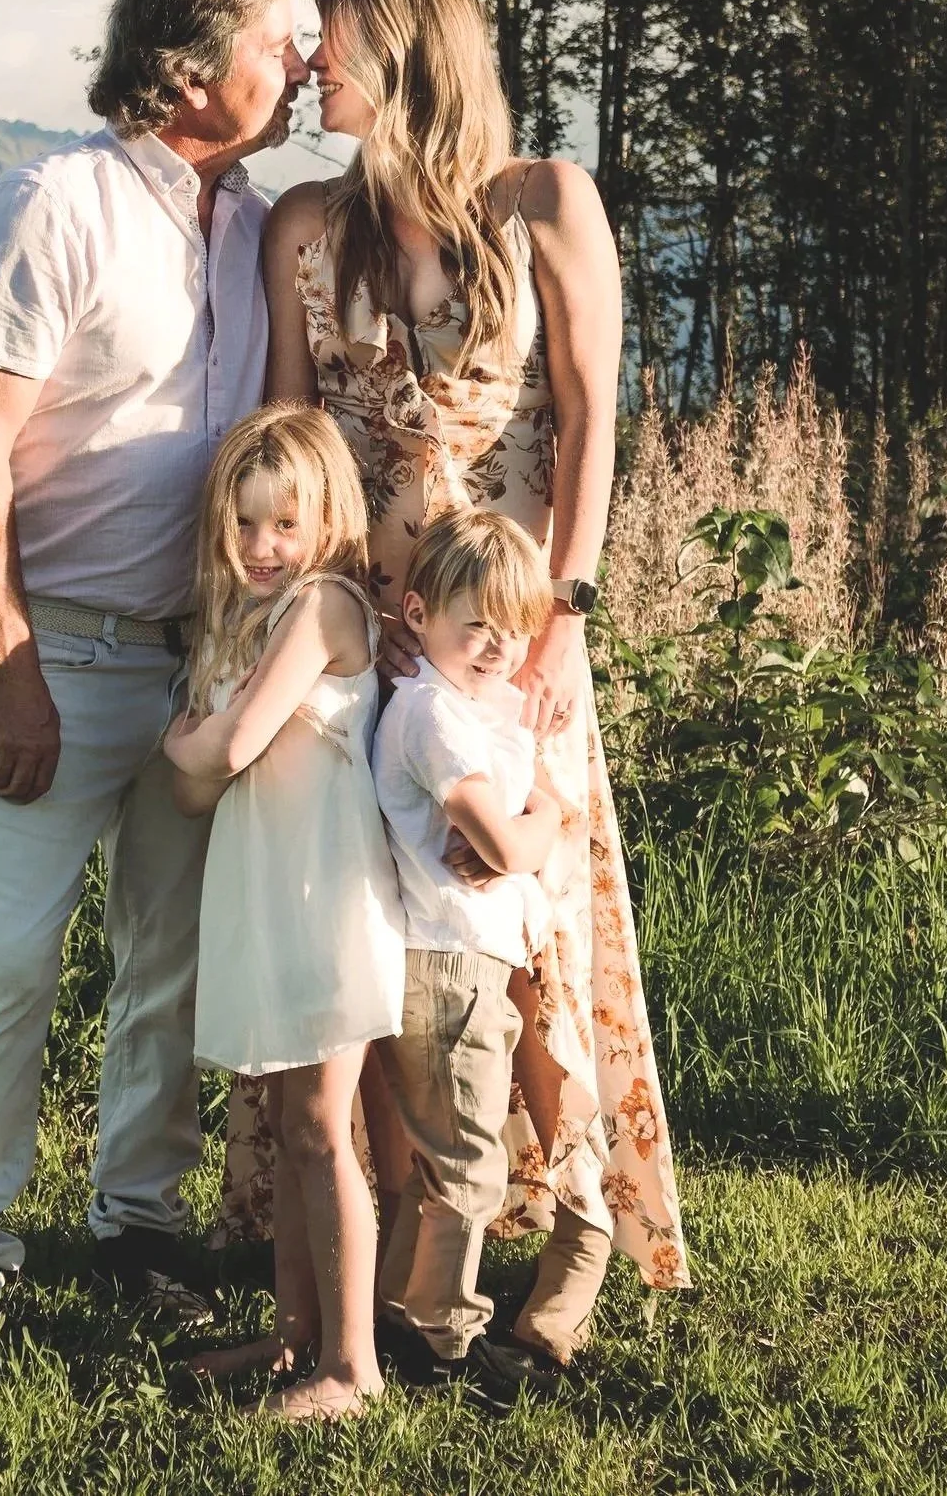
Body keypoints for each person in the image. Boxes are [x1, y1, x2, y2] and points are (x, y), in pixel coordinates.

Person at [219, 0, 692, 1366]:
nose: (312, 66)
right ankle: (382, 1268)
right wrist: (278, 633)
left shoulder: (546, 201)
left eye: (337, 45)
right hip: (375, 646)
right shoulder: (308, 223)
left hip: (515, 634)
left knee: (529, 934)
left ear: (413, 56)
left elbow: (597, 419)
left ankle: (584, 1222)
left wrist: (570, 621)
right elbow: (292, 436)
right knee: (379, 953)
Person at [0, 0, 308, 1385]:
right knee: (6, 957)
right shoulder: (50, 203)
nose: (298, 58)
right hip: (57, 650)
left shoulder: (257, 227)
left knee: (165, 963)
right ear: (189, 67)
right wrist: (11, 664)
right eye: (276, 37)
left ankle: (139, 1225)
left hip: (198, 663)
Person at [159, 403, 405, 1422]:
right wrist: (197, 757)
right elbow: (194, 789)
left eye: (285, 524)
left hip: (325, 896)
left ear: (324, 523)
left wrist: (190, 743)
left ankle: (352, 1365)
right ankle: (296, 1333)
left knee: (318, 1125)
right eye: (246, 524)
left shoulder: (324, 607)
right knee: (293, 1119)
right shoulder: (252, 617)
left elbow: (223, 750)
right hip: (271, 887)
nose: (263, 547)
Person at [370, 508, 569, 1403]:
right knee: (467, 1163)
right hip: (448, 966)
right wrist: (537, 830)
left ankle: (402, 1311)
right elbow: (495, 839)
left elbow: (521, 824)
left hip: (461, 963)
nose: (496, 646)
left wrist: (541, 824)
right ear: (417, 614)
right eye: (473, 623)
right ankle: (445, 1340)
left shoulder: (461, 708)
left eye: (514, 627)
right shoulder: (432, 715)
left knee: (444, 1155)